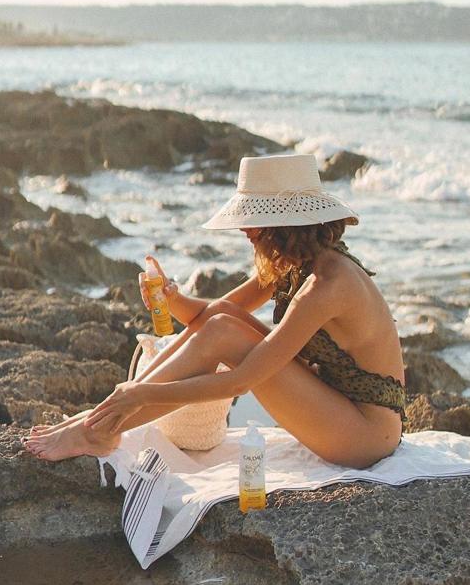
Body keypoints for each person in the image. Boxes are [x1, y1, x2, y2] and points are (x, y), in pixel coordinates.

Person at [23, 153, 406, 469]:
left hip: (364, 436)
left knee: (225, 333)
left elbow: (239, 381)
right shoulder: (298, 262)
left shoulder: (327, 284)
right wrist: (170, 297)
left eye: (253, 221)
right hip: (336, 405)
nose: (245, 231)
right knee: (223, 319)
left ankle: (98, 429)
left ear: (280, 224)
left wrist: (140, 393)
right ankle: (97, 422)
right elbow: (214, 315)